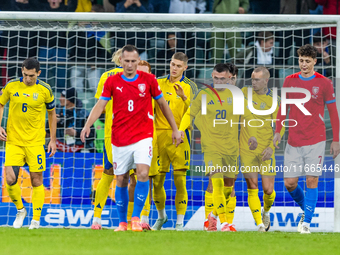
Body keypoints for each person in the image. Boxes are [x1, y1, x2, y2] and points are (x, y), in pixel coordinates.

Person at [81, 45, 182, 232]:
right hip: (118, 136)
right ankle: (118, 222)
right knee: (119, 177)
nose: (129, 64)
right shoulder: (110, 80)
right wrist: (87, 125)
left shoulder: (150, 80)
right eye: (126, 61)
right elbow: (100, 104)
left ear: (138, 61)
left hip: (144, 135)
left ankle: (137, 218)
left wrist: (175, 129)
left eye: (133, 61)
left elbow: (162, 105)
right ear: (121, 61)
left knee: (143, 174)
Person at [179, 63, 258, 232]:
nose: (218, 82)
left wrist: (252, 135)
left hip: (230, 147)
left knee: (229, 187)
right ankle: (224, 223)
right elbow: (190, 113)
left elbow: (247, 116)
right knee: (217, 183)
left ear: (230, 79)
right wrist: (180, 130)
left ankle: (213, 216)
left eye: (222, 79)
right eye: (215, 78)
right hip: (211, 146)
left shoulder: (236, 96)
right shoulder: (204, 94)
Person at [273, 44, 340, 234]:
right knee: (289, 183)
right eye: (301, 60)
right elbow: (283, 108)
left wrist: (336, 140)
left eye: (307, 61)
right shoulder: (289, 80)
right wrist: (278, 130)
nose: (303, 64)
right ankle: (307, 210)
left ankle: (306, 224)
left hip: (316, 139)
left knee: (312, 180)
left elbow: (333, 113)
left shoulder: (324, 83)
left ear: (315, 62)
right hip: (293, 140)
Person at [0, 57, 57, 229]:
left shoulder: (45, 90)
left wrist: (52, 140)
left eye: (31, 76)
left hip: (35, 142)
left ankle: (36, 220)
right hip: (14, 141)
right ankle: (20, 210)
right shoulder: (11, 86)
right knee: (9, 179)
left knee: (36, 180)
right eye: (25, 75)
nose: (27, 79)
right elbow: (1, 104)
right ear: (22, 71)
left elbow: (52, 114)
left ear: (38, 73)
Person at [151, 52, 198, 231]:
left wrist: (184, 98)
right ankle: (161, 217)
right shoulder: (158, 83)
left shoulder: (190, 86)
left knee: (180, 180)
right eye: (172, 64)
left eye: (178, 65)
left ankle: (179, 223)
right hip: (159, 136)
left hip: (180, 137)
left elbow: (195, 111)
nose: (174, 68)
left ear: (185, 67)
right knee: (157, 181)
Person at [239, 66, 284, 232]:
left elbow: (280, 126)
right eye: (252, 79)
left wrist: (272, 147)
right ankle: (259, 224)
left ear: (266, 80)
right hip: (246, 147)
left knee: (268, 190)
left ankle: (266, 211)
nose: (253, 82)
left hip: (266, 149)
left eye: (257, 79)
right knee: (252, 185)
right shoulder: (244, 92)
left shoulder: (275, 100)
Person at [91, 49, 124, 230]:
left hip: (112, 132)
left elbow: (100, 106)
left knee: (109, 172)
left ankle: (97, 218)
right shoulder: (138, 76)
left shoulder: (106, 76)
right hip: (130, 133)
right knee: (133, 177)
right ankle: (132, 219)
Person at [54, 87, 95, 152]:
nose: (59, 99)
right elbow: (47, 131)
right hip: (60, 149)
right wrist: (53, 122)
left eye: (62, 97)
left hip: (79, 149)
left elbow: (93, 135)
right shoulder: (56, 111)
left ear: (69, 100)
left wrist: (76, 134)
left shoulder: (84, 114)